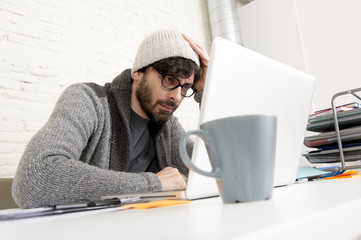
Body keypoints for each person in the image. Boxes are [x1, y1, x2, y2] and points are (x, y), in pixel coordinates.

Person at [11, 29, 209, 208]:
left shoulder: (167, 126)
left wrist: (207, 91)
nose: (176, 96)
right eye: (169, 80)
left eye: (185, 87)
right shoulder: (88, 100)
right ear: (138, 72)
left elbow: (214, 170)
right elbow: (34, 178)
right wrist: (153, 184)